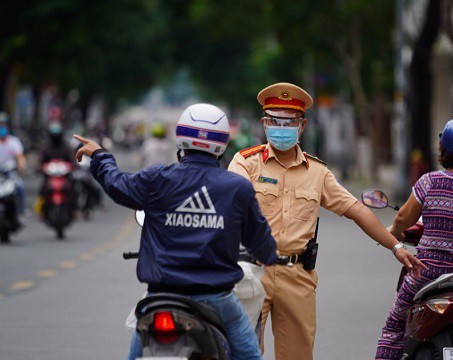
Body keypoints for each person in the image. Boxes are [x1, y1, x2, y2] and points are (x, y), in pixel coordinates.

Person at [227, 82, 427, 360]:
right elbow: (227, 206)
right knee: (241, 353)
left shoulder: (318, 173)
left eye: (290, 121)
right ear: (264, 123)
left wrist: (396, 247)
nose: (281, 127)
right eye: (275, 120)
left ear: (303, 125)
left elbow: (357, 210)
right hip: (252, 271)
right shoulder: (245, 163)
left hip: (296, 276)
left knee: (298, 356)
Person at [73, 103, 278, 360]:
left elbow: (117, 184)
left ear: (181, 137)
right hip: (216, 299)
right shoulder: (238, 188)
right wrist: (269, 254)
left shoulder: (158, 178)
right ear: (222, 142)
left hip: (161, 297)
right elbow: (262, 246)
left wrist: (101, 156)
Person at [375, 117, 453, 360]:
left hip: (429, 273)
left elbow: (403, 218)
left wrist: (394, 233)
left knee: (394, 328)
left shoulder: (429, 182)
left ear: (443, 149)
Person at [0, 112, 27, 219]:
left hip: (9, 173)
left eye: (3, 124)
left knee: (20, 187)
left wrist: (21, 166)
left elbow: (20, 157)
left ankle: (21, 212)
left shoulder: (14, 141)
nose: (2, 127)